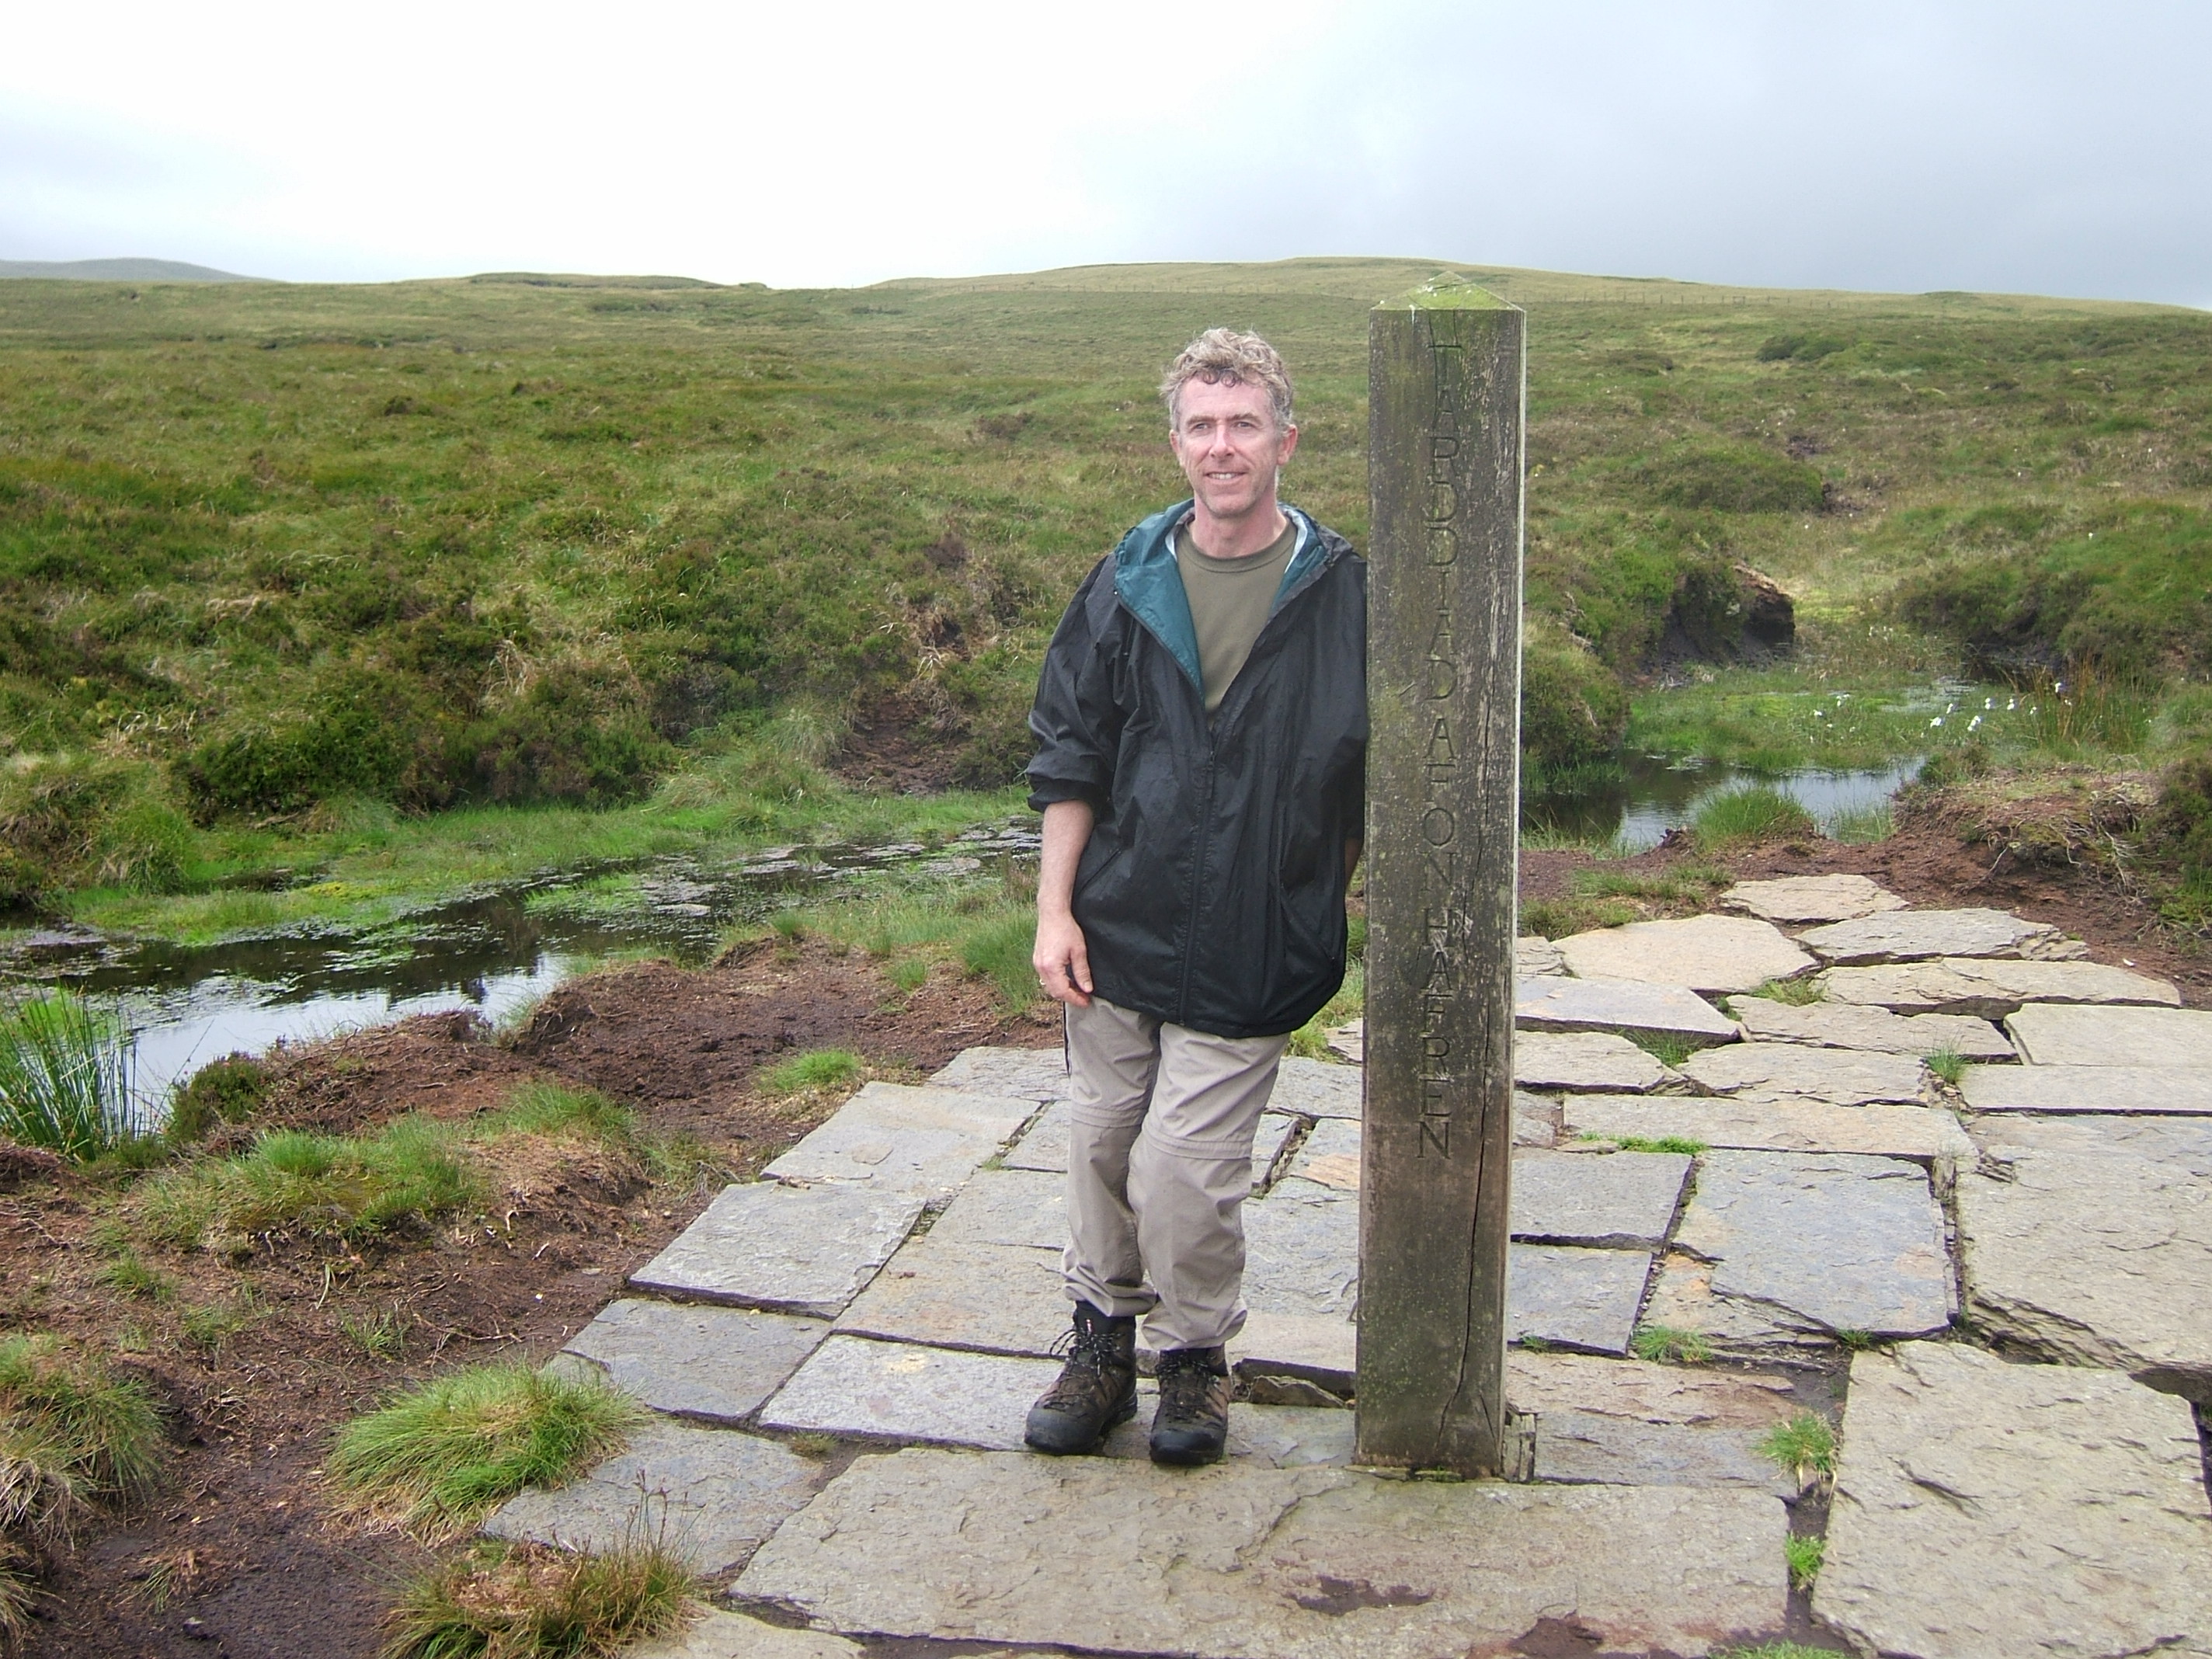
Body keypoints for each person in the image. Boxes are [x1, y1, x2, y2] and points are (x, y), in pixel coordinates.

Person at [1020, 329, 1367, 1466]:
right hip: (1116, 925)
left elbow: (1377, 775)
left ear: (1286, 441)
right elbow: (1070, 757)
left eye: (1244, 425)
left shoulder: (1348, 595)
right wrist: (1055, 913)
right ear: (1176, 443)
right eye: (1203, 426)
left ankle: (1194, 1361)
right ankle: (1100, 1350)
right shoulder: (1125, 583)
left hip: (1256, 941)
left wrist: (1322, 898)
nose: (1224, 447)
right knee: (1101, 1143)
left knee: (1182, 1170)